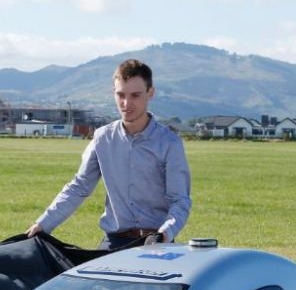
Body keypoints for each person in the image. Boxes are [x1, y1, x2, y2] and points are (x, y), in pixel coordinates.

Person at [26, 59, 192, 249]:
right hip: (113, 242)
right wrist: (42, 225)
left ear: (150, 93)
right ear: (113, 93)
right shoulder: (102, 138)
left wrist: (164, 234)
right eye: (120, 95)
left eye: (135, 95)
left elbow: (180, 200)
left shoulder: (170, 143)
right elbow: (78, 187)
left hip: (157, 243)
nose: (126, 103)